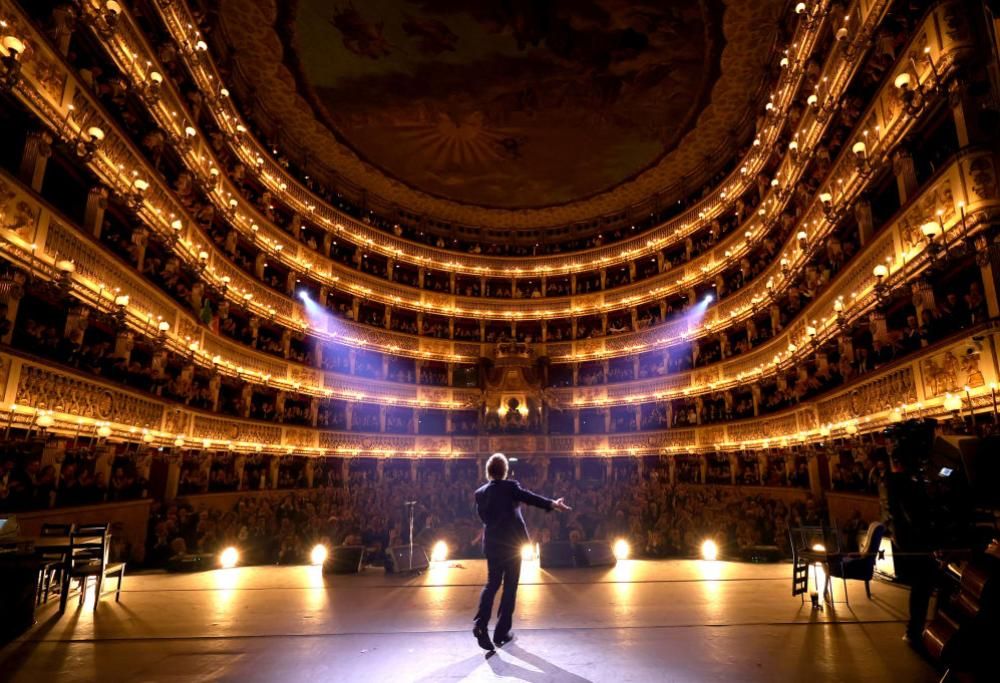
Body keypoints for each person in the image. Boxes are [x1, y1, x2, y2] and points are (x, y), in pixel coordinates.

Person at [472, 452, 570, 651]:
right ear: (505, 471)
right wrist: (552, 504)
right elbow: (530, 498)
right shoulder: (510, 487)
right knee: (509, 588)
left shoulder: (480, 493)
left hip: (492, 545)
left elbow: (484, 518)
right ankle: (501, 633)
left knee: (492, 584)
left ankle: (480, 624)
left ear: (488, 472)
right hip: (511, 546)